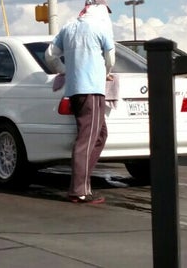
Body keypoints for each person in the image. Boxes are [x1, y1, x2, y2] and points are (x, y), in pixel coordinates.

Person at [45, 0, 115, 204]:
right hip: (92, 90)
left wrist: (64, 70)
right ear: (101, 10)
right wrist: (106, 73)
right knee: (87, 139)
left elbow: (50, 55)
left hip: (76, 90)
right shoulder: (100, 26)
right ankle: (79, 190)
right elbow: (110, 57)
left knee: (100, 135)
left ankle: (82, 180)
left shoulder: (68, 27)